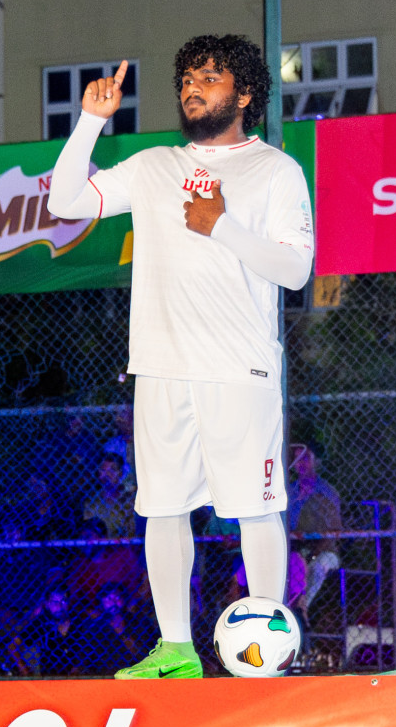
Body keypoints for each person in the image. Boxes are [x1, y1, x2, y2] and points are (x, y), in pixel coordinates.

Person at [49, 35, 314, 679]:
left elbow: (297, 268)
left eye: (212, 76)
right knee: (162, 507)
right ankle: (176, 650)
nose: (194, 86)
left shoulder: (277, 171)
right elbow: (64, 202)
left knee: (255, 506)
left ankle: (267, 648)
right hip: (161, 366)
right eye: (188, 76)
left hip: (239, 367)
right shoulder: (154, 165)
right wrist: (90, 121)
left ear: (245, 94)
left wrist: (220, 224)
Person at [287, 441, 343, 619]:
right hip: (296, 549)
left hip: (323, 550)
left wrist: (311, 554)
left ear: (317, 462)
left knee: (317, 568)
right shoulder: (289, 491)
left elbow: (333, 532)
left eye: (305, 458)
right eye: (297, 459)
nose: (300, 464)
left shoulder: (327, 492)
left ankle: (299, 612)